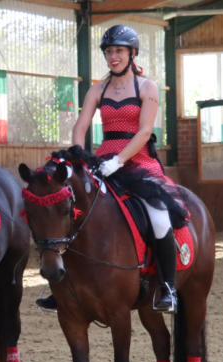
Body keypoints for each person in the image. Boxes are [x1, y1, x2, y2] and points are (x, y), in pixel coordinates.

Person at [37, 24, 180, 314]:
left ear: (132, 53)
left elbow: (144, 132)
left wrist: (119, 161)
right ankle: (62, 284)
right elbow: (80, 127)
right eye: (108, 51)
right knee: (73, 209)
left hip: (138, 161)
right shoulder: (98, 89)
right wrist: (78, 157)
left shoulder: (147, 87)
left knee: (159, 217)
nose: (113, 56)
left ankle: (167, 287)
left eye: (119, 51)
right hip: (101, 162)